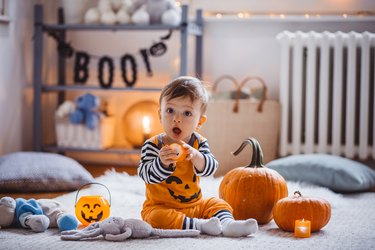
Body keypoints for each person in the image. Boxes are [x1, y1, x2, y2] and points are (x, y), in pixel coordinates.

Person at [138, 76, 258, 237]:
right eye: (170, 110)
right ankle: (199, 225)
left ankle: (229, 225)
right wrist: (161, 163)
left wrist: (197, 157)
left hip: (196, 204)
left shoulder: (199, 143)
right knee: (155, 218)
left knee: (218, 203)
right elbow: (145, 174)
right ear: (160, 114)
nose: (177, 118)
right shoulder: (153, 145)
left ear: (199, 121)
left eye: (187, 113)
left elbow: (210, 168)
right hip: (161, 206)